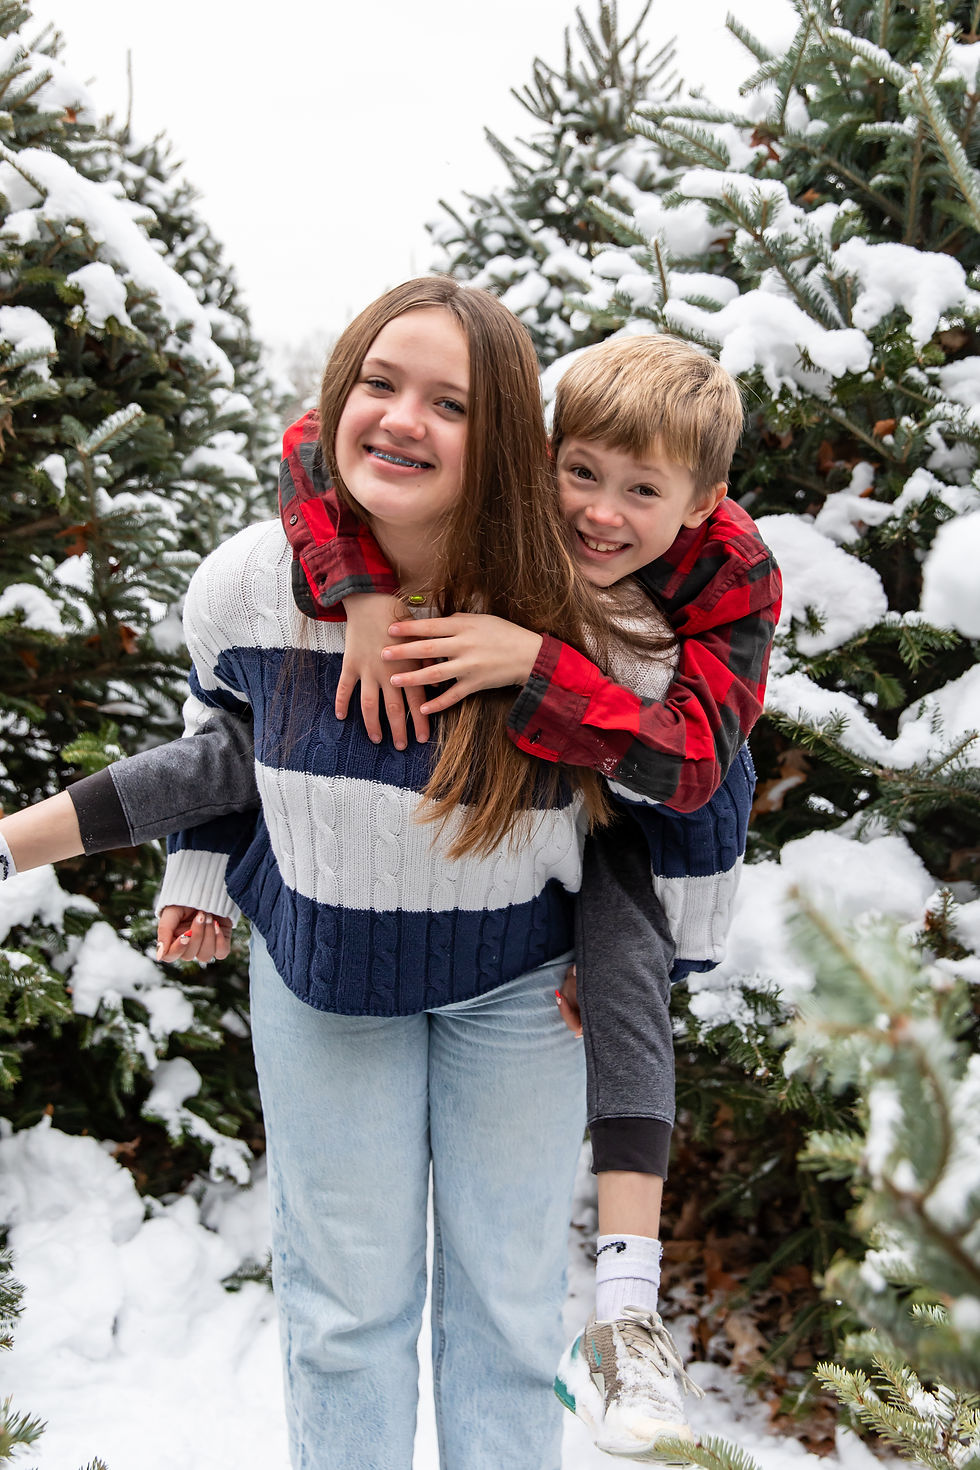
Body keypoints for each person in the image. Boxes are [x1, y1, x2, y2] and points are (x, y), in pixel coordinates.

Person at [0, 278, 691, 1470]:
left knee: (508, 1313)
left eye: (450, 402)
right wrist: (192, 869)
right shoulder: (248, 582)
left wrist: (538, 670)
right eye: (379, 383)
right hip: (325, 983)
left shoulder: (585, 616)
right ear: (339, 398)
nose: (402, 419)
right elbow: (223, 737)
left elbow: (669, 793)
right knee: (343, 1317)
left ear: (510, 442)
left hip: (521, 990)